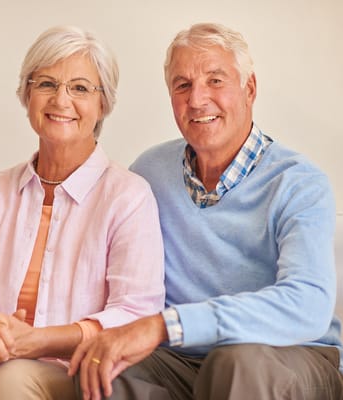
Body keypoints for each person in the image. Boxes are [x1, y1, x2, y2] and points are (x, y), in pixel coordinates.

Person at [69, 22, 343, 400]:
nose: (197, 99)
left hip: (291, 356)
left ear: (249, 89)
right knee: (97, 367)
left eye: (215, 81)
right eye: (183, 85)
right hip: (183, 359)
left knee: (234, 364)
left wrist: (168, 326)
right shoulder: (149, 172)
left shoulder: (298, 183)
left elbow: (308, 305)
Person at [0, 25, 165, 400]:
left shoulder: (128, 196)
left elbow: (134, 313)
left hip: (76, 368)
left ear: (103, 104)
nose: (61, 100)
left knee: (11, 379)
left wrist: (34, 342)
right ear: (27, 94)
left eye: (80, 88)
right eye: (47, 84)